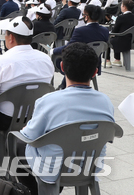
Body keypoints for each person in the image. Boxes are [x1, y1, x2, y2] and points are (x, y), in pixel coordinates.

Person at [18, 42, 114, 190]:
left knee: (18, 144)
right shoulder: (106, 101)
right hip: (91, 166)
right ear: (95, 72)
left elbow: (30, 136)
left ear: (62, 67)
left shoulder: (48, 101)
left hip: (53, 169)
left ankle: (34, 191)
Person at [0, 16, 54, 139]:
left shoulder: (2, 61)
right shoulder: (46, 59)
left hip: (7, 118)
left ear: (11, 38)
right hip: (37, 116)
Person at [105, 0, 134, 68]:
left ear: (124, 7)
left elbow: (115, 31)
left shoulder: (121, 17)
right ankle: (117, 59)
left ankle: (108, 60)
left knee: (108, 39)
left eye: (121, 5)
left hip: (122, 41)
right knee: (116, 37)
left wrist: (110, 32)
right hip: (132, 41)